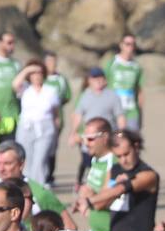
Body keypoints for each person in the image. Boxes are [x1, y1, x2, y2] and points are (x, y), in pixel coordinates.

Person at [0, 140, 75, 231]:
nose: (1, 169)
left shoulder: (40, 194)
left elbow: (70, 227)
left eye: (7, 163)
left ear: (21, 164)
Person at [97, 129, 159, 231]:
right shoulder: (113, 170)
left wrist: (89, 200)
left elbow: (122, 189)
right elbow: (100, 204)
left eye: (126, 154)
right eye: (119, 156)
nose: (123, 160)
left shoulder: (148, 173)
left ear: (136, 146)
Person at [70, 68, 125, 186]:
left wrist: (122, 134)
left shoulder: (113, 96)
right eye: (95, 79)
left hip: (105, 137)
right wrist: (73, 133)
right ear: (89, 80)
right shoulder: (85, 95)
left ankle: (104, 184)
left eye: (101, 78)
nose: (98, 81)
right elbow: (78, 115)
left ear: (105, 80)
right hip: (89, 135)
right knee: (87, 161)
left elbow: (120, 116)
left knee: (107, 161)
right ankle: (80, 183)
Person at [12, 59, 61, 185]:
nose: (37, 76)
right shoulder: (25, 89)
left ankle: (38, 188)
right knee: (27, 159)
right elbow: (15, 84)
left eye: (39, 72)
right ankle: (27, 187)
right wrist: (28, 69)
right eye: (34, 73)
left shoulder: (50, 90)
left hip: (45, 127)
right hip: (27, 127)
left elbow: (56, 114)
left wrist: (56, 132)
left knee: (40, 160)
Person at [76, 118, 117, 231]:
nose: (86, 143)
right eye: (84, 138)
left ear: (104, 137)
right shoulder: (96, 159)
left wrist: (89, 197)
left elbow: (103, 201)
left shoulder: (114, 162)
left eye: (90, 139)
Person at [41, 51, 71, 187]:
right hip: (41, 119)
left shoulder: (61, 79)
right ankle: (41, 174)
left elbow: (67, 96)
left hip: (56, 120)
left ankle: (49, 176)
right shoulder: (40, 78)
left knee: (52, 148)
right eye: (49, 62)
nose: (51, 65)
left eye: (54, 62)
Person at [104, 34, 143, 131]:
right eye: (128, 44)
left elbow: (139, 91)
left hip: (131, 111)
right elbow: (103, 85)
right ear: (121, 45)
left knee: (132, 142)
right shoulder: (112, 63)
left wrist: (140, 113)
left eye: (133, 44)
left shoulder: (136, 67)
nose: (131, 47)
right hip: (113, 111)